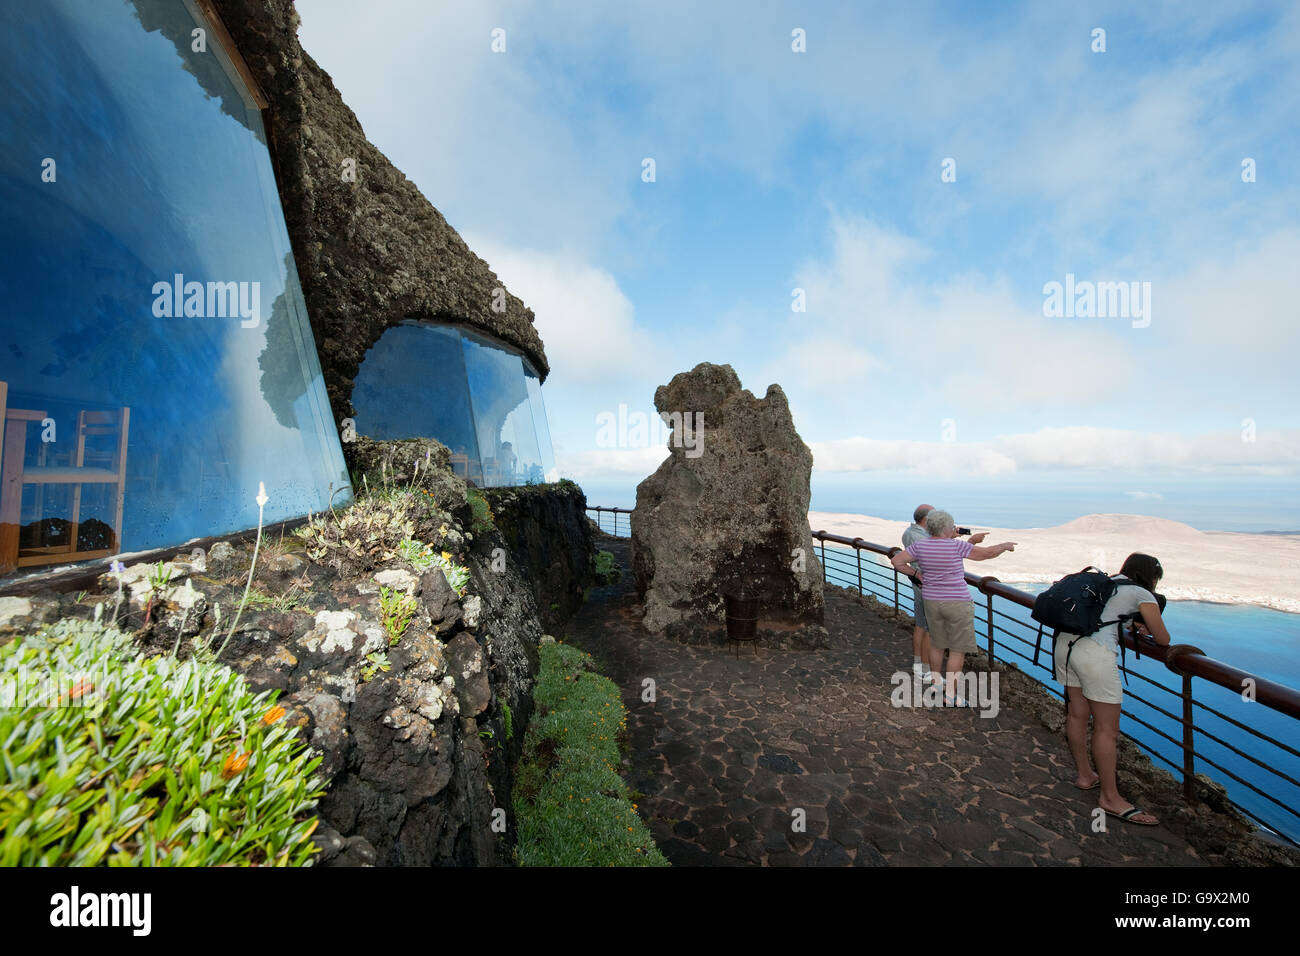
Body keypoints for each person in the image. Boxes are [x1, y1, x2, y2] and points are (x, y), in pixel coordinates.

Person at [1055, 553, 1170, 827]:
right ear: (1152, 577)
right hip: (1094, 655)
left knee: (1077, 715)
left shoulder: (1105, 583)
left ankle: (1085, 775)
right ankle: (1110, 798)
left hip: (1064, 646)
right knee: (1107, 730)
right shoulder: (1142, 593)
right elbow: (1164, 638)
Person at [891, 509, 1011, 705]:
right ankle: (950, 696)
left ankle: (936, 684)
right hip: (957, 602)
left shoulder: (920, 546)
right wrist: (1004, 546)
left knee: (937, 644)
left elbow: (896, 561)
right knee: (957, 650)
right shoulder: (956, 546)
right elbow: (985, 554)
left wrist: (916, 574)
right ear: (947, 528)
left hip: (931, 600)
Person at [901, 505, 935, 681]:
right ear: (926, 519)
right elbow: (929, 554)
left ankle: (918, 666)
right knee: (928, 628)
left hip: (919, 582)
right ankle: (926, 669)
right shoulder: (916, 536)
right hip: (925, 583)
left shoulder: (911, 532)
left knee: (921, 625)